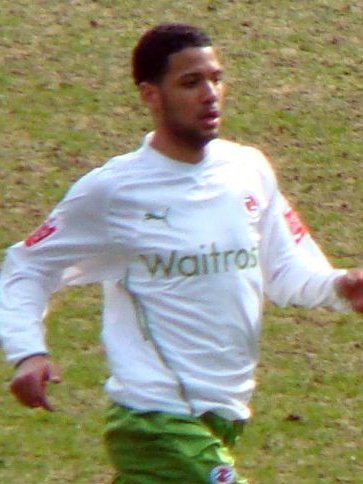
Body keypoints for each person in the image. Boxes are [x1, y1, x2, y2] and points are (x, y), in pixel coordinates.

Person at [0, 23, 362, 484]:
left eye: (216, 78)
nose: (210, 94)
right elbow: (28, 263)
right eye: (191, 83)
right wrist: (27, 351)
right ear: (150, 95)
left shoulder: (247, 170)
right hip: (156, 421)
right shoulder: (115, 191)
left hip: (223, 417)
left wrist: (339, 286)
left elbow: (287, 269)